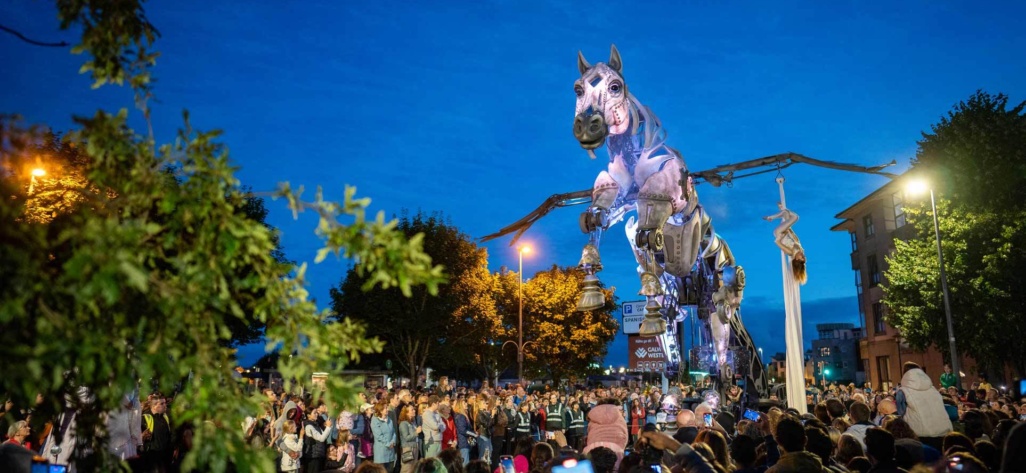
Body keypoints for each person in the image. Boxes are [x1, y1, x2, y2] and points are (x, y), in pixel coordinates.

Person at [895, 362, 951, 448]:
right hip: (943, 431)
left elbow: (900, 412)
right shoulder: (933, 389)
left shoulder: (902, 391)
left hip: (919, 434)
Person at [764, 201, 807, 284]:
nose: (802, 255)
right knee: (786, 214)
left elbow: (778, 243)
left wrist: (780, 237)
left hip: (779, 233)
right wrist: (789, 228)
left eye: (801, 257)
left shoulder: (791, 252)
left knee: (795, 217)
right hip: (786, 230)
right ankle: (776, 213)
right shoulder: (800, 248)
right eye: (803, 256)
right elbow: (794, 236)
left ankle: (772, 216)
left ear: (797, 259)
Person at [303, 407, 333, 473]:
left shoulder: (316, 424)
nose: (316, 414)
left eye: (317, 412)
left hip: (319, 455)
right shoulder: (309, 426)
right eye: (314, 413)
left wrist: (328, 426)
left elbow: (324, 436)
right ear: (308, 415)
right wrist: (328, 427)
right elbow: (321, 439)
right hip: (313, 456)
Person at [372, 402, 398, 472]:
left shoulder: (389, 419)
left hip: (391, 452)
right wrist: (388, 443)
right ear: (380, 410)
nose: (387, 410)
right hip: (381, 453)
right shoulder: (375, 420)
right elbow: (378, 436)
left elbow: (393, 432)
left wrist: (393, 442)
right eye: (385, 408)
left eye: (387, 408)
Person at [400, 404, 422, 473]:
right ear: (406, 412)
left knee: (413, 469)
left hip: (415, 447)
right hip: (408, 449)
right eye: (412, 410)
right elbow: (406, 437)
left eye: (414, 409)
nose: (414, 411)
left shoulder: (413, 422)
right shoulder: (403, 424)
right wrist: (416, 432)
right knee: (406, 469)